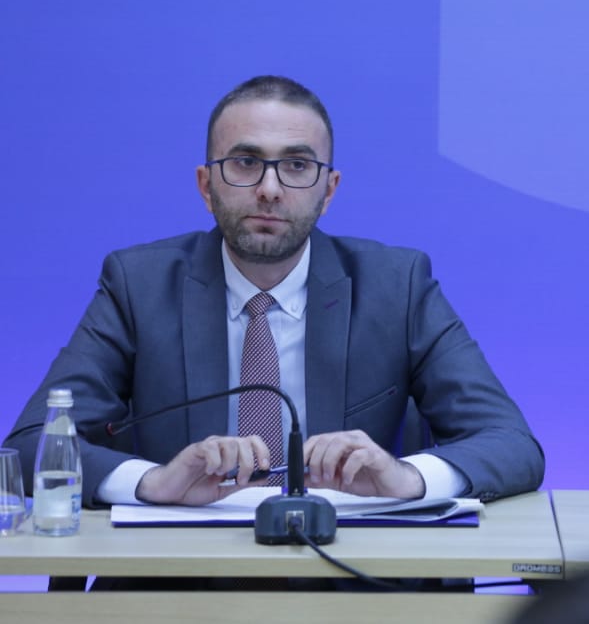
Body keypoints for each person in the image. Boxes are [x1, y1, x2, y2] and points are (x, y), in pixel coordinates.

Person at [5, 75, 543, 511]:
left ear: (328, 190)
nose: (269, 188)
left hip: (356, 578)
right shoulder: (139, 286)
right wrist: (152, 483)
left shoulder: (397, 285)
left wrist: (407, 478)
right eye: (245, 163)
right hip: (179, 576)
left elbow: (511, 443)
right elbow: (30, 444)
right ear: (206, 185)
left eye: (297, 166)